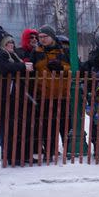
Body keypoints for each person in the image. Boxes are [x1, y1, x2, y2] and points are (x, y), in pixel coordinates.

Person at [0, 29, 35, 165]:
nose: (11, 45)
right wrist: (22, 67)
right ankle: (9, 155)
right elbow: (2, 67)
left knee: (19, 126)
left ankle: (21, 155)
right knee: (6, 127)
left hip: (16, 97)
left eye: (13, 42)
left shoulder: (15, 56)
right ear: (2, 44)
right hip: (1, 97)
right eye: (8, 43)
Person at [31, 25, 71, 158]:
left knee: (65, 124)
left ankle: (68, 149)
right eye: (40, 37)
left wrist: (61, 67)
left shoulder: (63, 50)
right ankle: (50, 149)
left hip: (62, 93)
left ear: (52, 37)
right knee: (48, 124)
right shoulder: (36, 51)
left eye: (45, 37)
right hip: (43, 94)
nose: (42, 39)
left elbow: (75, 68)